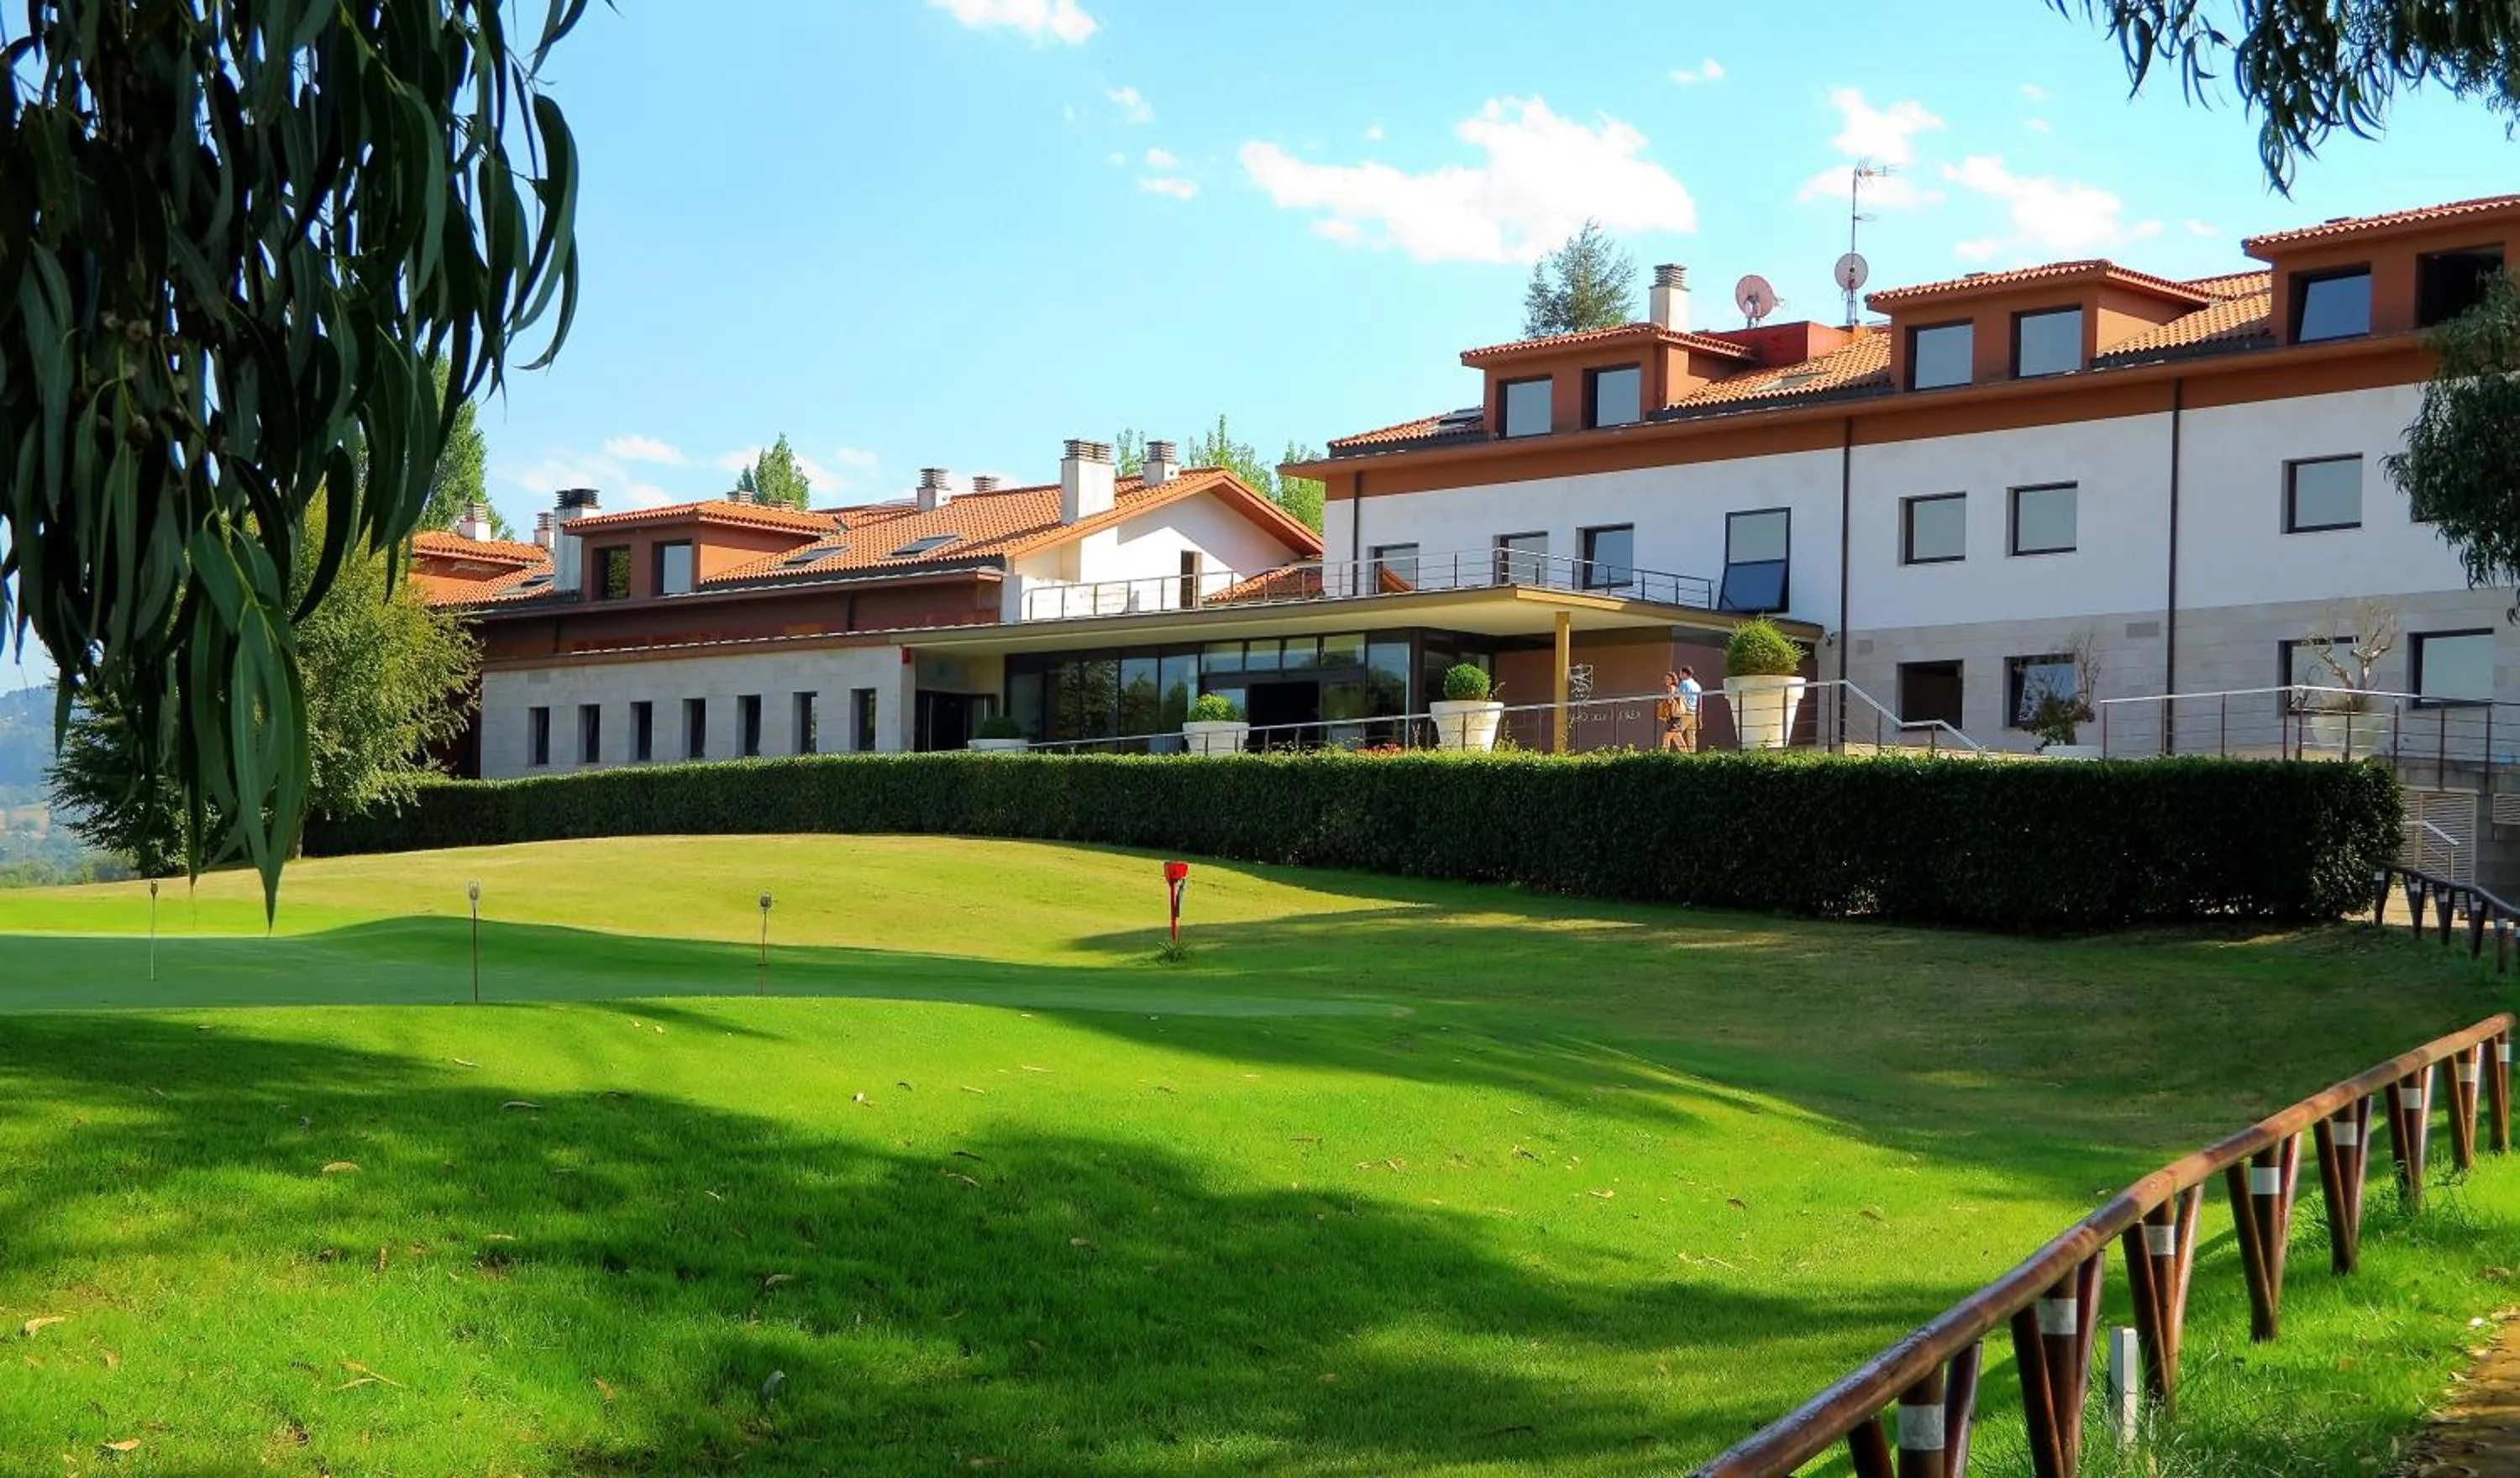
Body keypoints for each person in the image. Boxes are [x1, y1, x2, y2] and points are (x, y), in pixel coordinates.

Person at [1658, 668, 1703, 752]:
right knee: (1683, 738)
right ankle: (1688, 756)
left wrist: (1664, 704)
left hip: (1679, 715)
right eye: (1665, 679)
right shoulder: (1697, 685)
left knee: (1668, 737)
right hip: (1691, 713)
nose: (1666, 680)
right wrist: (1699, 717)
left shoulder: (1675, 686)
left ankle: (1663, 756)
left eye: (1668, 679)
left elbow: (1670, 700)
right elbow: (1699, 701)